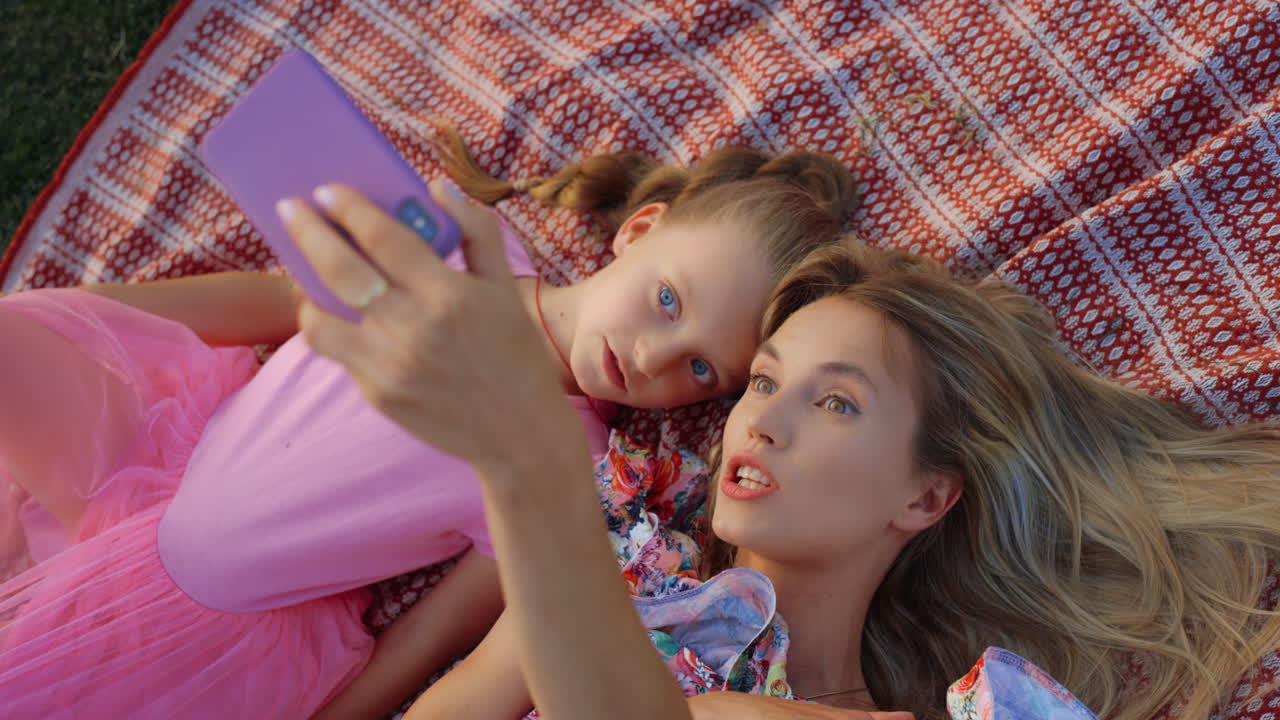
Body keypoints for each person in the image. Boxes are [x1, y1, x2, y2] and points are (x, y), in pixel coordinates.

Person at [290, 187, 1280, 720]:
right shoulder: (620, 576)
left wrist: (525, 462)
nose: (759, 424)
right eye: (760, 382)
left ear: (925, 497)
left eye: (836, 402)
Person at [0, 133, 857, 719]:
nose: (655, 354)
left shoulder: (565, 468)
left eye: (703, 369)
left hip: (223, 612)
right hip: (166, 448)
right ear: (640, 231)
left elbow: (427, 639)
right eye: (668, 300)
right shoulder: (452, 249)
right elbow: (286, 301)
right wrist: (97, 321)